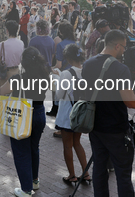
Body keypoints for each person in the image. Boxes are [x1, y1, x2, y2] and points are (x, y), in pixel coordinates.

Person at [82, 30, 135, 197]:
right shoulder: (120, 68)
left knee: (99, 169)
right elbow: (130, 101)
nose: (124, 50)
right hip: (116, 128)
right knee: (123, 174)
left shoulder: (88, 64)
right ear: (117, 45)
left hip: (95, 126)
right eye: (123, 46)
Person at [0, 47, 48, 197]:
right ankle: (34, 181)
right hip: (39, 114)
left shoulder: (17, 79)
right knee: (34, 148)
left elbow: (2, 91)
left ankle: (26, 190)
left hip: (23, 115)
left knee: (21, 152)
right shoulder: (45, 76)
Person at [53, 44, 91, 185]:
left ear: (68, 58)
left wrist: (57, 78)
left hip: (67, 115)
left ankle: (72, 175)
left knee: (67, 146)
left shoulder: (66, 73)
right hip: (80, 114)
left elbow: (59, 95)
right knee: (77, 143)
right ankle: (86, 173)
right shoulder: (86, 71)